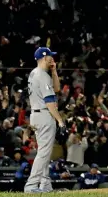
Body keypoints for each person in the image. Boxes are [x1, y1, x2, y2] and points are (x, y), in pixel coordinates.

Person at [24, 47, 65, 193]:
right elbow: (50, 101)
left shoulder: (36, 73)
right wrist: (60, 120)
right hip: (44, 114)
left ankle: (45, 186)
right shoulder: (42, 75)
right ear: (44, 57)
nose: (52, 58)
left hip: (37, 115)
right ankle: (31, 186)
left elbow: (57, 89)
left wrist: (54, 72)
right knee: (43, 153)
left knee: (44, 152)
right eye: (50, 56)